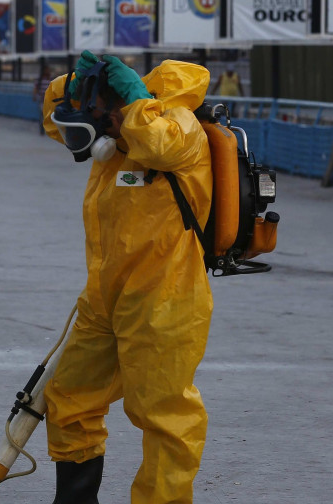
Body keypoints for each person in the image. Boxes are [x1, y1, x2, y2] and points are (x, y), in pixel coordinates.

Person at [40, 51, 214, 504]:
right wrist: (74, 84)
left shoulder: (180, 127)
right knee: (70, 396)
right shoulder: (119, 135)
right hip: (103, 296)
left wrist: (135, 103)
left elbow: (159, 144)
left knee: (163, 417)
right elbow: (54, 120)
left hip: (164, 299)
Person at [33, 63, 53, 136]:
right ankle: (42, 129)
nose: (48, 71)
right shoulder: (39, 79)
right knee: (42, 115)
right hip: (42, 100)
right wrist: (34, 96)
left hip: (50, 100)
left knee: (49, 115)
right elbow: (35, 88)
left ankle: (49, 129)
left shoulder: (51, 78)